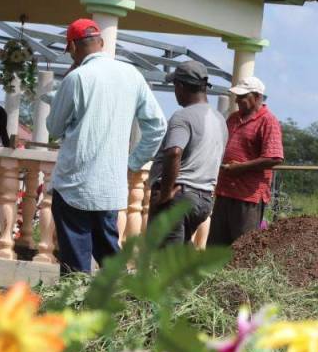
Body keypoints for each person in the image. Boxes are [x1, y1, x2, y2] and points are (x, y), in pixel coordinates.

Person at [46, 18, 166, 273]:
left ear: (72, 48)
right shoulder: (132, 74)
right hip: (110, 187)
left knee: (76, 269)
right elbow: (157, 126)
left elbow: (53, 129)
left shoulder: (76, 78)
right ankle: (119, 307)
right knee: (111, 258)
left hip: (73, 187)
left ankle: (77, 310)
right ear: (100, 43)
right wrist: (132, 162)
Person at [148, 61, 227, 244]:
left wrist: (166, 193)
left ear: (181, 86)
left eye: (175, 85)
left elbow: (174, 152)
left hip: (179, 196)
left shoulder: (183, 116)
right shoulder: (219, 119)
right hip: (203, 199)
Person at [208, 76, 284, 246]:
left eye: (243, 97)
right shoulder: (233, 118)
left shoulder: (268, 121)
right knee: (216, 246)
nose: (238, 100)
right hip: (225, 192)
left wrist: (240, 168)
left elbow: (274, 157)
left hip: (248, 197)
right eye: (237, 96)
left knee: (242, 248)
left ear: (257, 97)